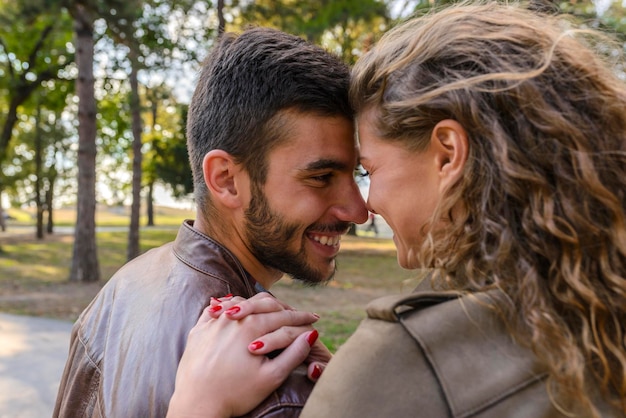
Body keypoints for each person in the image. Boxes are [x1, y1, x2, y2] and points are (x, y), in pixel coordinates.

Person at [166, 2, 626, 417]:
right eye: (324, 176)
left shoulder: (405, 357)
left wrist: (197, 406)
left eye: (370, 170)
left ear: (447, 154)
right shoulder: (595, 307)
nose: (365, 207)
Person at [53, 27, 368, 417]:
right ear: (226, 180)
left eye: (359, 174)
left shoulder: (123, 289)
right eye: (321, 178)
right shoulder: (278, 389)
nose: (358, 211)